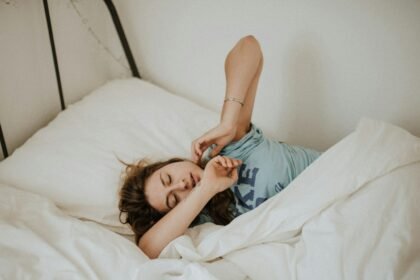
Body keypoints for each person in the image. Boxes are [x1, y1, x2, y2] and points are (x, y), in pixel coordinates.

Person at [118, 35, 321, 259]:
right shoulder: (206, 223)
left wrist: (228, 121)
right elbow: (147, 249)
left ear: (171, 163)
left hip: (340, 178)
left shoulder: (229, 147)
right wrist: (205, 189)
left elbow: (249, 47)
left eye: (168, 178)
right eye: (174, 199)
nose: (182, 184)